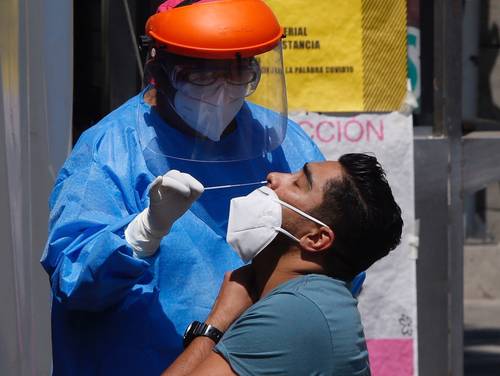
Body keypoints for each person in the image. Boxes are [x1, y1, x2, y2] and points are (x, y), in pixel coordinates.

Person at [40, 0, 338, 375]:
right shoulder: (110, 151)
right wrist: (141, 233)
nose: (223, 91)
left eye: (238, 72)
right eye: (201, 76)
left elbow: (340, 255)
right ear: (158, 71)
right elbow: (74, 282)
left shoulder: (282, 145)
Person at [162, 154, 403, 375]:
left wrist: (217, 322)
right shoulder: (315, 299)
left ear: (316, 239)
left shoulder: (295, 313)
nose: (274, 177)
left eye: (298, 183)